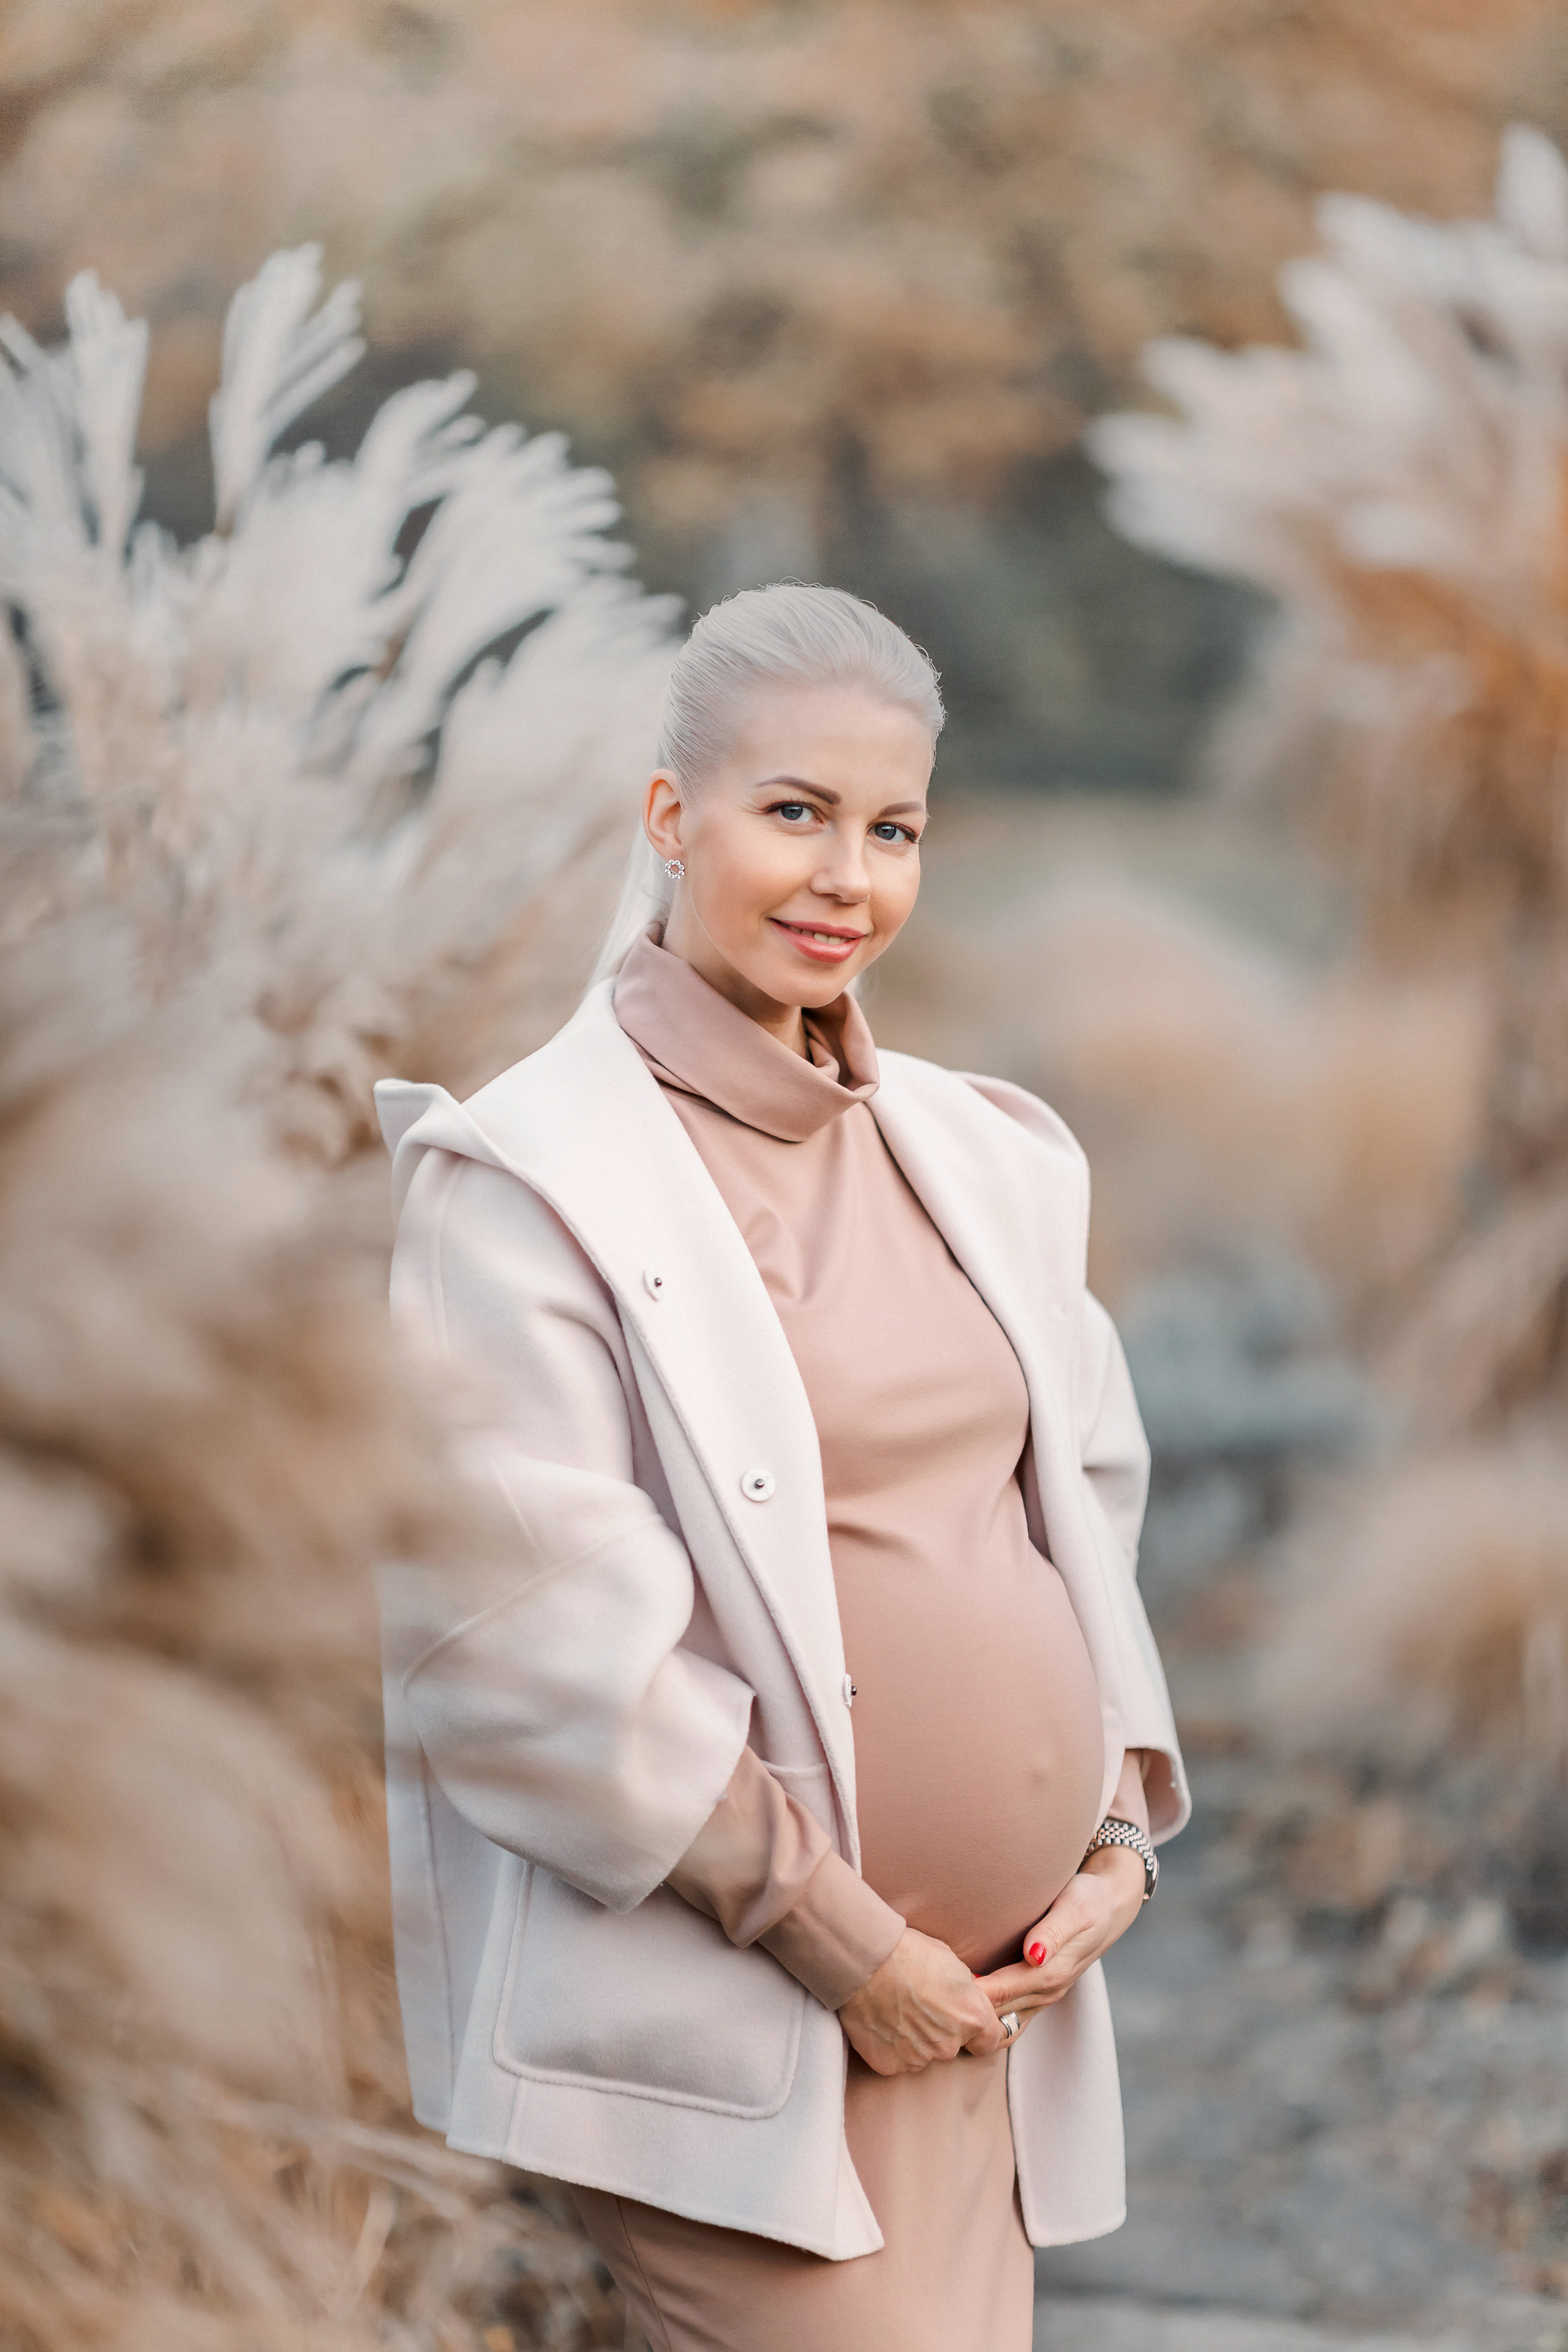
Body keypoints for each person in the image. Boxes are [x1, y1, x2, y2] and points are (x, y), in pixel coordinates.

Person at [374, 584, 1188, 2352]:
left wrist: (1115, 1821)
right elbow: (522, 1658)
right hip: (756, 2028)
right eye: (795, 812)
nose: (848, 879)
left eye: (892, 828)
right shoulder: (524, 1182)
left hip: (993, 2020)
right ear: (673, 817)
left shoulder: (988, 1157)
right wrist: (840, 1944)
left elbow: (1084, 1510)